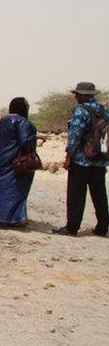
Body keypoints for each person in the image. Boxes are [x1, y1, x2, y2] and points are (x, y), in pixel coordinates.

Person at [52, 82, 109, 236]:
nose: (75, 97)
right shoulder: (103, 111)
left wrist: (69, 156)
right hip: (99, 160)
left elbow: (75, 136)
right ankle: (103, 227)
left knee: (76, 194)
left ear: (83, 95)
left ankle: (72, 227)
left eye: (77, 94)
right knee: (100, 194)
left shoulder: (81, 111)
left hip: (81, 161)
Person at [0, 97, 38, 228]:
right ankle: (14, 219)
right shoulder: (23, 123)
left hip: (0, 161)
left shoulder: (3, 121)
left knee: (0, 190)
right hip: (15, 163)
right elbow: (25, 142)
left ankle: (0, 218)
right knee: (17, 190)